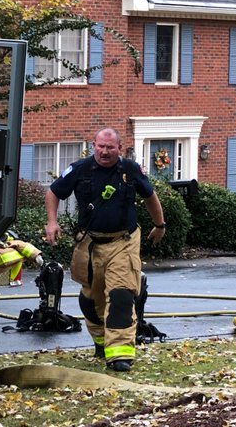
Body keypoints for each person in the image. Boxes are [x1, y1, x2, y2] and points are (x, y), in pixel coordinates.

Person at [45, 127, 166, 371]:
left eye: (110, 147)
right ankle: (101, 340)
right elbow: (53, 192)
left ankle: (120, 354)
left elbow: (150, 196)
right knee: (91, 298)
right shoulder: (80, 169)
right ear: (93, 145)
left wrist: (159, 225)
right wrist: (52, 222)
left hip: (123, 241)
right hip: (89, 244)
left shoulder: (130, 171)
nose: (104, 151)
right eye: (100, 146)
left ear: (119, 149)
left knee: (121, 295)